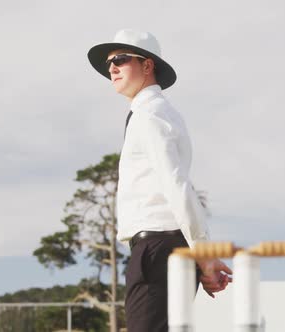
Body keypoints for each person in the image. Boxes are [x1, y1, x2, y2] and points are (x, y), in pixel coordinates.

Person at [88, 29, 232, 332]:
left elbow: (176, 184)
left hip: (158, 250)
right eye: (109, 63)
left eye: (121, 59)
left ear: (147, 65)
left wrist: (204, 255)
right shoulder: (159, 112)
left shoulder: (149, 116)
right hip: (165, 248)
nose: (111, 67)